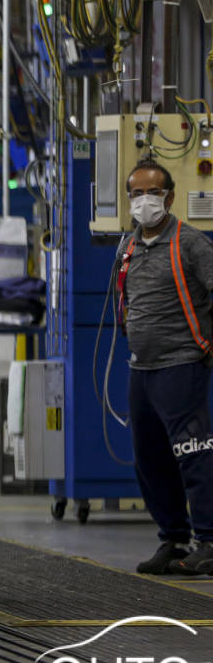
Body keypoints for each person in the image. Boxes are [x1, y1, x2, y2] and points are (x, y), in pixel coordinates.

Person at [118, 158, 213, 574]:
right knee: (150, 459)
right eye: (136, 194)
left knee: (194, 455)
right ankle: (173, 538)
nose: (144, 202)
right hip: (142, 370)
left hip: (182, 366)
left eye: (152, 193)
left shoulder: (192, 244)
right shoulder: (128, 247)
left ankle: (209, 541)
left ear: (170, 197)